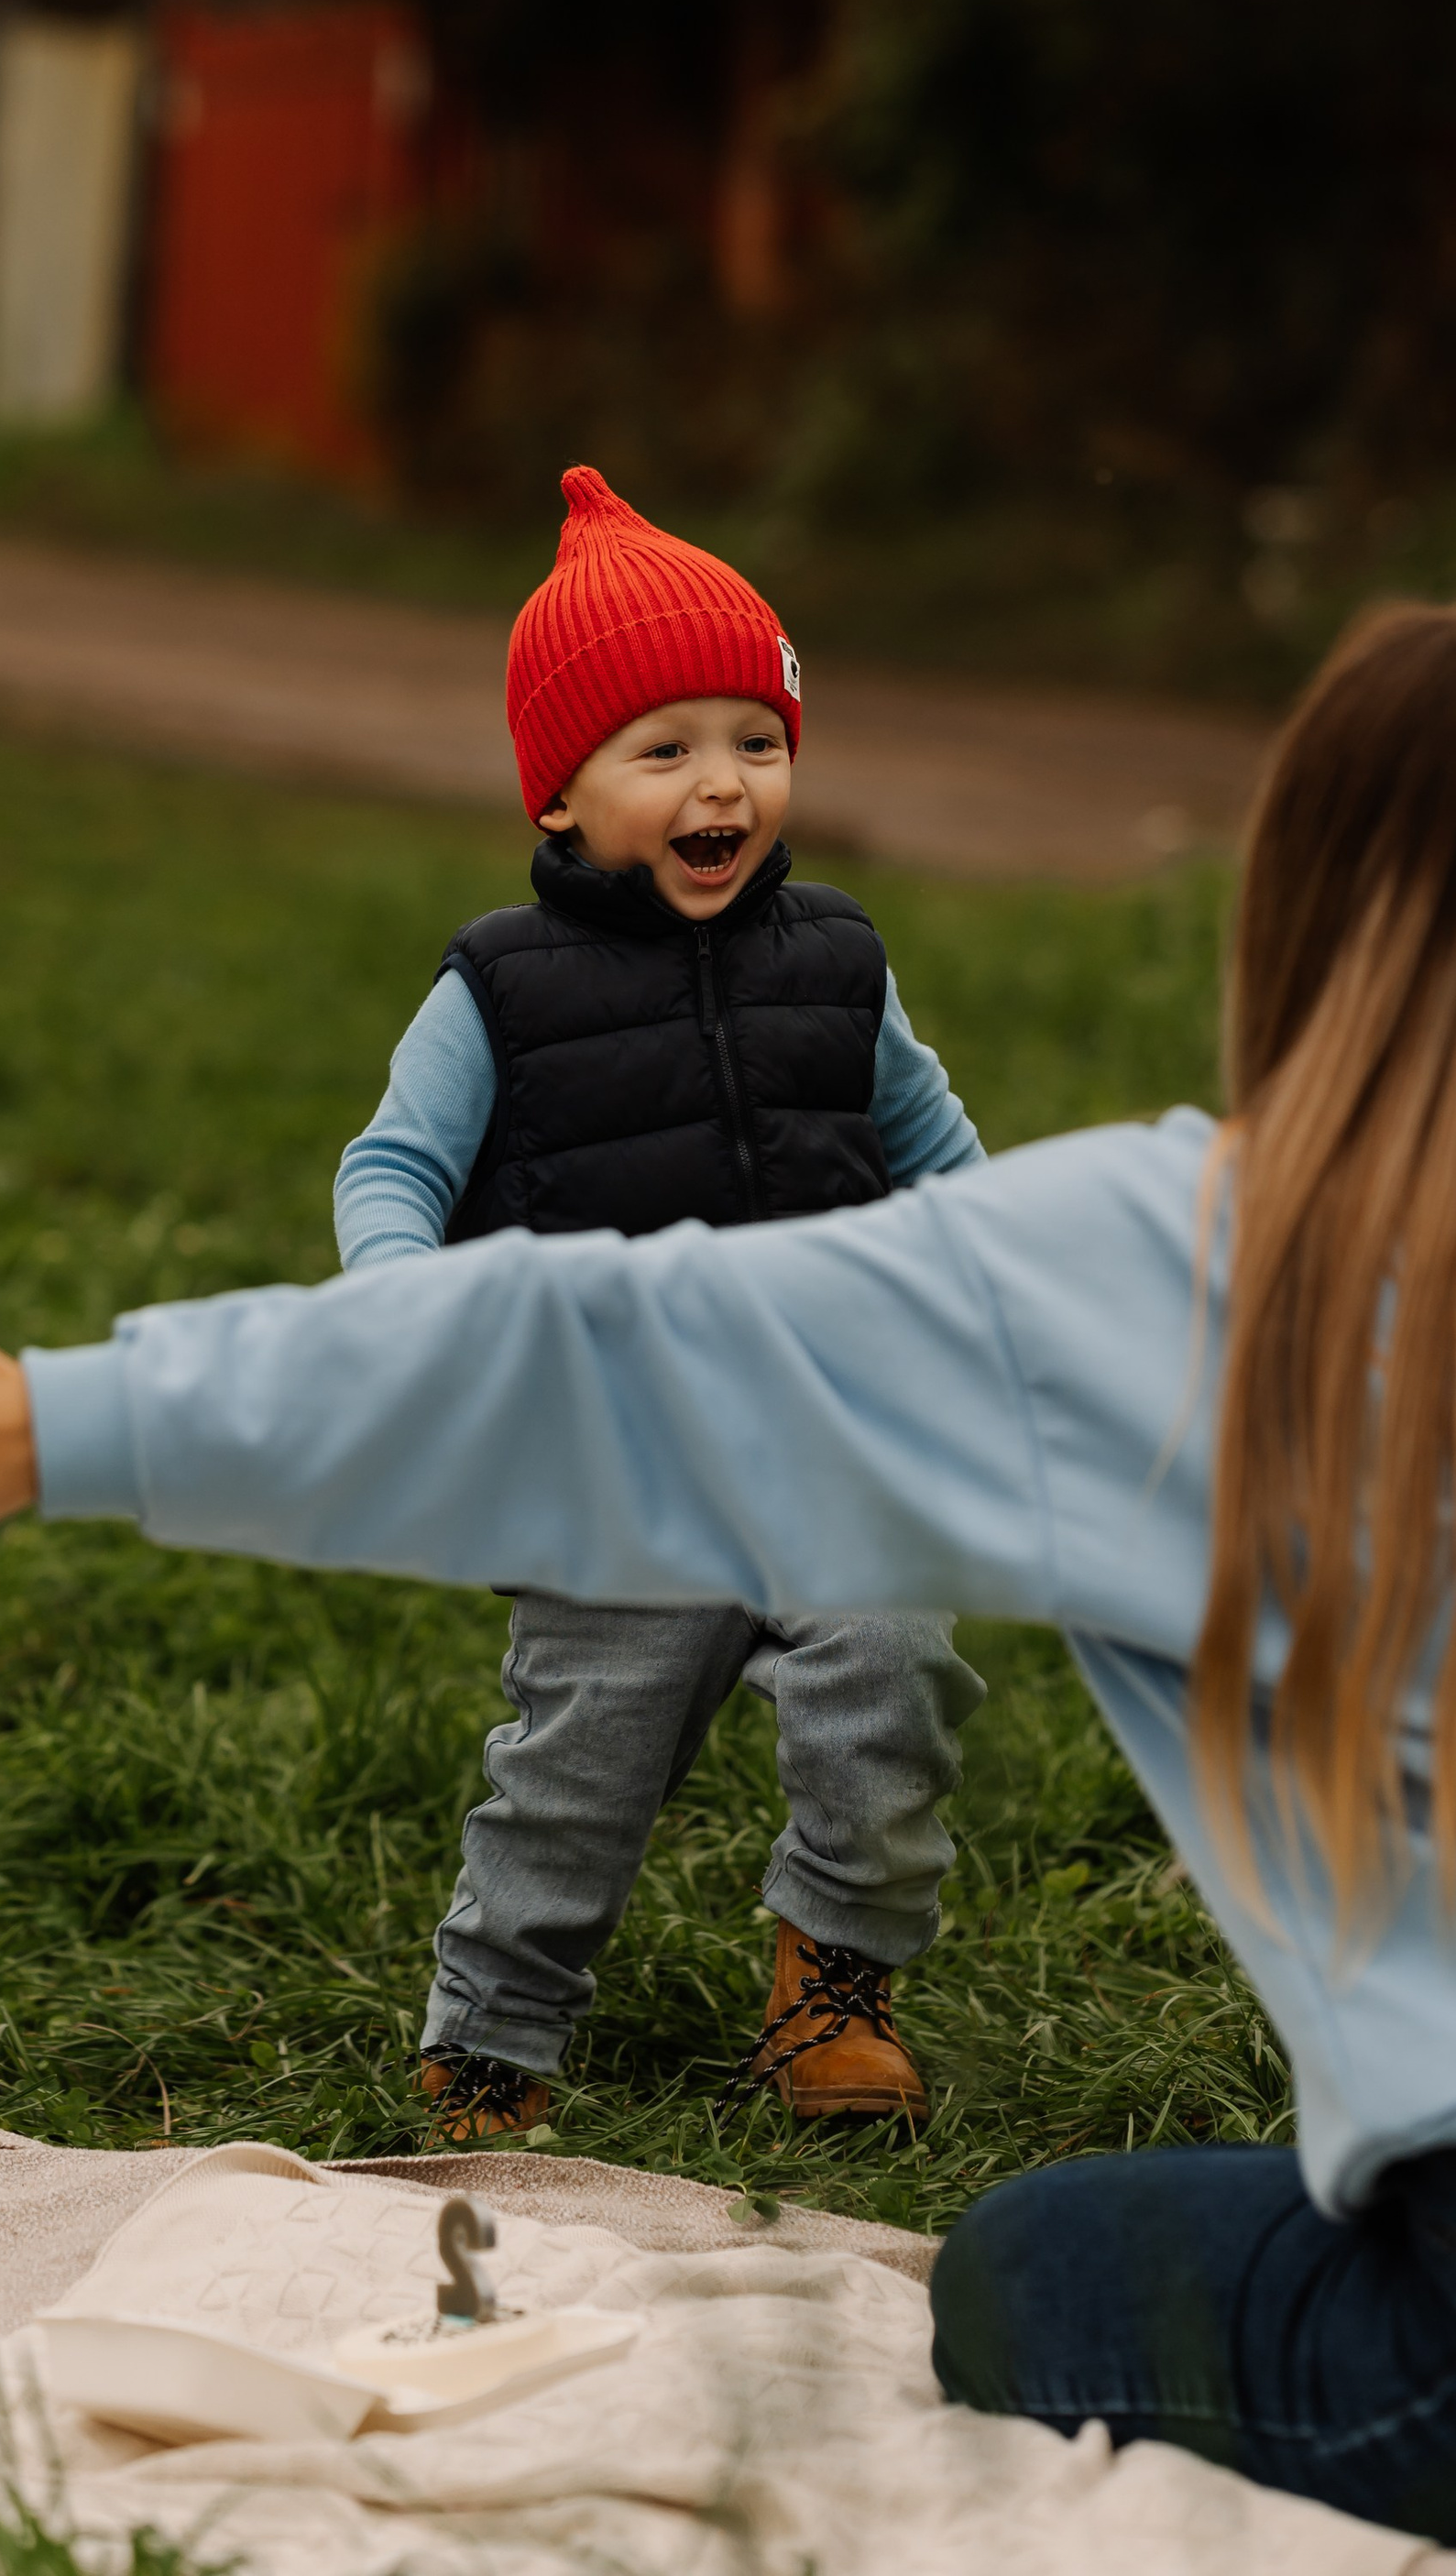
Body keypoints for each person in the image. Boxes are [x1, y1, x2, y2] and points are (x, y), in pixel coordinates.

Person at [0, 599, 1456, 2563]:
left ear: (1290, 900)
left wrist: (64, 1420)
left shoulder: (1189, 1265)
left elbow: (595, 1362)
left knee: (1023, 2274)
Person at [334, 465, 986, 2141]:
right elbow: (395, 1167)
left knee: (892, 1672)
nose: (724, 786)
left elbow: (935, 1147)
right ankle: (492, 2031)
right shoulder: (501, 989)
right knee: (582, 1764)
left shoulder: (838, 963)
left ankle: (831, 1988)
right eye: (667, 750)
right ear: (559, 796)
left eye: (754, 743)